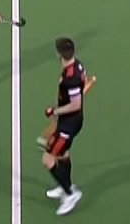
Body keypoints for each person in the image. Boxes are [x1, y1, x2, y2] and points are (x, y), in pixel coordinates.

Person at [41, 36, 90, 216]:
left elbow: (75, 104)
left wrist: (55, 111)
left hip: (69, 123)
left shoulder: (70, 77)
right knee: (63, 154)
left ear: (58, 54)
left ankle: (70, 194)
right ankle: (65, 186)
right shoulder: (78, 65)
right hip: (70, 120)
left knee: (48, 160)